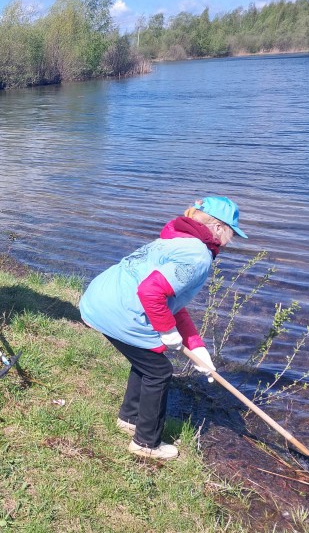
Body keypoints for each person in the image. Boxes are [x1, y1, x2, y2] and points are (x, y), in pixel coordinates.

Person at [79, 196, 247, 461]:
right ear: (217, 228)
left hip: (99, 299)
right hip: (117, 310)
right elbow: (151, 292)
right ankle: (146, 443)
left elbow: (172, 302)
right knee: (159, 371)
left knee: (147, 360)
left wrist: (197, 347)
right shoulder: (198, 257)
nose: (231, 240)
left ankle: (130, 418)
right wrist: (167, 331)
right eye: (231, 233)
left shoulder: (178, 239)